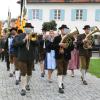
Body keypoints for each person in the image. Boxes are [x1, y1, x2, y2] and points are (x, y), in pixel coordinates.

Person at [14, 23, 37, 96]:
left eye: (29, 28)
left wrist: (32, 39)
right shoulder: (20, 36)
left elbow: (37, 44)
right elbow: (15, 44)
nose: (28, 29)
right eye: (27, 27)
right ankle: (23, 88)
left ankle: (27, 84)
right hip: (22, 57)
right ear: (24, 28)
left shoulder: (33, 35)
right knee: (23, 73)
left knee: (29, 73)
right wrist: (24, 40)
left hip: (30, 57)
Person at [53, 24, 74, 93]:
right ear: (61, 30)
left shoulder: (69, 38)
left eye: (65, 29)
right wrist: (59, 45)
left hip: (66, 56)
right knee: (60, 71)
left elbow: (72, 48)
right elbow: (53, 47)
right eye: (63, 29)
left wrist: (65, 47)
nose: (64, 31)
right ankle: (59, 87)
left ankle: (61, 82)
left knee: (64, 72)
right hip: (59, 57)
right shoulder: (57, 38)